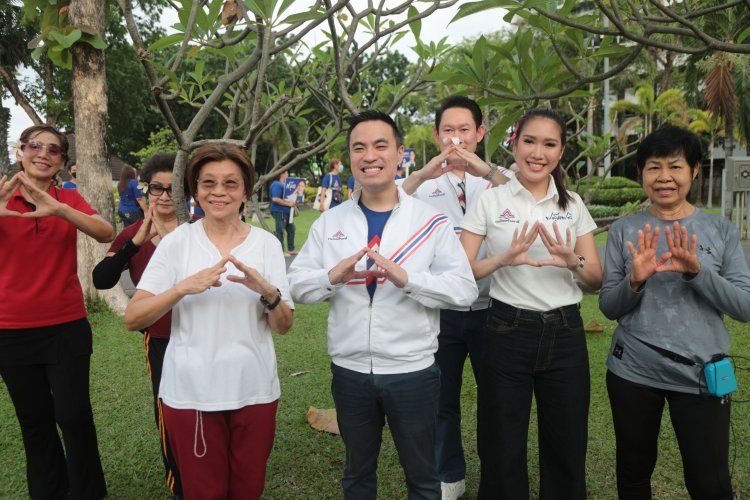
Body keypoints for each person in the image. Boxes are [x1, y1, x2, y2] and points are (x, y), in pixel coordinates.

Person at [288, 110, 478, 499]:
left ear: (399, 154)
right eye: (359, 147)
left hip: (413, 372)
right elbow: (295, 286)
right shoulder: (330, 222)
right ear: (350, 156)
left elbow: (464, 289)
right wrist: (331, 277)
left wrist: (408, 280)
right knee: (357, 475)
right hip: (350, 372)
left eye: (380, 146)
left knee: (423, 479)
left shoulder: (430, 221)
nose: (369, 155)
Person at [124, 144, 293, 499]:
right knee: (205, 492)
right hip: (191, 393)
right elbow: (133, 317)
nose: (219, 192)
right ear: (195, 190)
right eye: (208, 183)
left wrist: (269, 292)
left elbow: (283, 325)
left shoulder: (267, 245)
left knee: (248, 489)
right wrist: (182, 288)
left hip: (255, 390)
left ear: (246, 190)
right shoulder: (177, 244)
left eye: (231, 183)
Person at [599, 125, 750, 499]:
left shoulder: (720, 230)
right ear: (641, 174)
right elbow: (607, 306)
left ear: (695, 171)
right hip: (633, 371)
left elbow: (744, 307)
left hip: (701, 376)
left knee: (709, 482)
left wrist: (698, 272)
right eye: (653, 167)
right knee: (633, 473)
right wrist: (634, 281)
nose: (664, 177)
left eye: (675, 166)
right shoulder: (624, 230)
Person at [459, 108, 602, 499]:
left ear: (560, 152)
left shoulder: (572, 205)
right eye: (530, 141)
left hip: (566, 333)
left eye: (549, 144)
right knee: (501, 441)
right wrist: (503, 259)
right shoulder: (491, 201)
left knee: (567, 441)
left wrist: (574, 261)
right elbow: (463, 269)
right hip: (506, 331)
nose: (538, 152)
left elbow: (595, 281)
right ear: (515, 143)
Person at [400, 95, 511, 499]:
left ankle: (495, 472)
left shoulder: (495, 181)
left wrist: (487, 169)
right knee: (441, 396)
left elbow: (523, 193)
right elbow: (385, 197)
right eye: (448, 130)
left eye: (465, 129)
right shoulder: (422, 185)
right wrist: (424, 174)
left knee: (495, 398)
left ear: (480, 134)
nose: (457, 138)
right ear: (436, 135)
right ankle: (449, 474)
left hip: (493, 306)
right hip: (441, 309)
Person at [0, 125, 114, 499]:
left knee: (74, 416)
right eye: (35, 146)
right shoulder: (2, 195)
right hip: (10, 328)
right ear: (21, 151)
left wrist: (60, 209)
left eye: (54, 150)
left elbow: (105, 232)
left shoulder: (67, 196)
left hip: (65, 326)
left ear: (62, 162)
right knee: (34, 423)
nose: (44, 154)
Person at [91, 153, 183, 497]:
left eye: (173, 189)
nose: (164, 196)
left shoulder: (201, 228)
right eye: (156, 188)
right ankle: (180, 486)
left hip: (208, 337)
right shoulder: (134, 233)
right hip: (160, 338)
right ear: (146, 190)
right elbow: (101, 279)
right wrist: (134, 245)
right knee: (168, 412)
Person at [269, 170, 297, 256]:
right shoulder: (277, 184)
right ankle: (280, 251)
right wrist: (289, 203)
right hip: (279, 211)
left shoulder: (285, 185)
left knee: (291, 228)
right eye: (286, 173)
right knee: (280, 231)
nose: (287, 175)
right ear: (281, 174)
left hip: (286, 212)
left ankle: (291, 249)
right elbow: (275, 198)